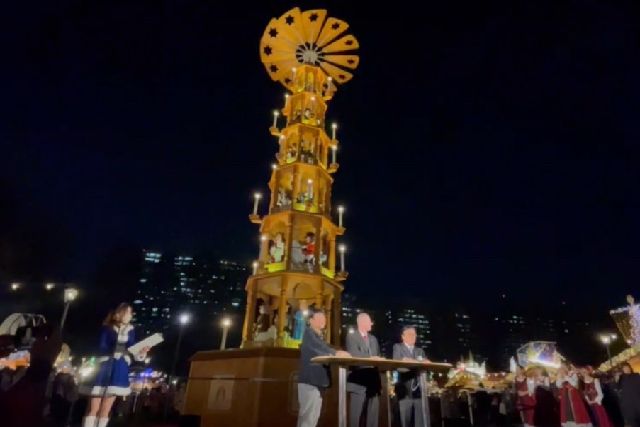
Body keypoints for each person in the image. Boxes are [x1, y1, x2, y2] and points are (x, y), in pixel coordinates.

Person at [81, 303, 149, 427]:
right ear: (119, 313)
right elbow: (101, 346)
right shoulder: (107, 328)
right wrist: (117, 347)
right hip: (104, 367)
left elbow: (132, 347)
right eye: (128, 312)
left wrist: (141, 351)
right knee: (93, 407)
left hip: (119, 369)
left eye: (131, 313)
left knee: (106, 409)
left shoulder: (130, 330)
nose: (130, 315)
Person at [297, 308, 350, 427]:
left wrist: (337, 352)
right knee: (308, 419)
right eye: (319, 317)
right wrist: (336, 353)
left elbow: (324, 346)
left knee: (312, 418)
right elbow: (318, 347)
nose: (323, 320)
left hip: (317, 382)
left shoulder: (319, 336)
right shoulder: (309, 333)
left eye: (324, 317)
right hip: (309, 382)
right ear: (311, 320)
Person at [346, 312, 382, 427]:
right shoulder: (351, 336)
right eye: (369, 321)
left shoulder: (373, 339)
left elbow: (378, 357)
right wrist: (371, 358)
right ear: (361, 322)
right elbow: (354, 354)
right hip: (358, 381)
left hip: (373, 382)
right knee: (355, 416)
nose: (372, 323)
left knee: (373, 417)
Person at [392, 326, 429, 427]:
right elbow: (398, 366)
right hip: (404, 392)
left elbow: (425, 366)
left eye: (414, 335)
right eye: (410, 334)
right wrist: (416, 364)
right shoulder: (397, 347)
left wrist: (411, 363)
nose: (413, 337)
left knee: (420, 422)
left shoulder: (420, 351)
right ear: (403, 337)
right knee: (405, 421)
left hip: (418, 392)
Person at [617, 362, 640, 427]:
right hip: (629, 406)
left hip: (638, 402)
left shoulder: (636, 375)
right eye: (624, 368)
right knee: (634, 423)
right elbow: (616, 389)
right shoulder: (620, 379)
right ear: (622, 370)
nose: (627, 369)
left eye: (627, 367)